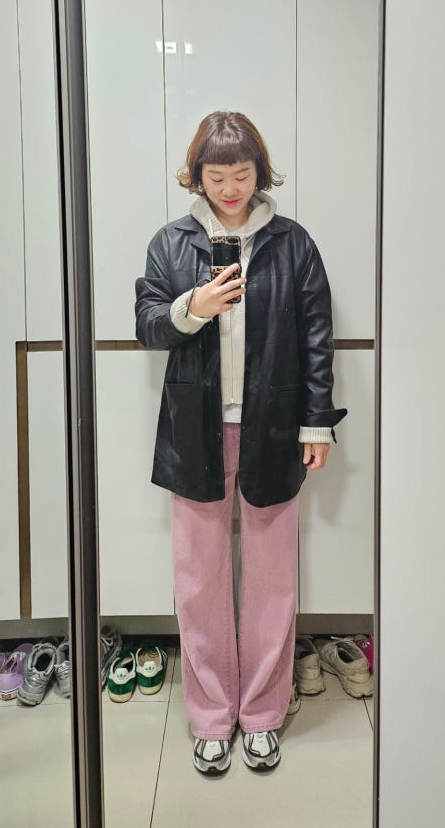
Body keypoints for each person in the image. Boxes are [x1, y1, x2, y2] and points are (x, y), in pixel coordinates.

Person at [135, 110, 347, 774]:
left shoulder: (292, 243)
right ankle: (209, 716)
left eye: (242, 173)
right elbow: (147, 323)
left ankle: (260, 713)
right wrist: (192, 308)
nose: (230, 188)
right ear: (196, 176)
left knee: (272, 578)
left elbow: (317, 337)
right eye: (217, 175)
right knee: (198, 579)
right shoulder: (171, 242)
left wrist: (316, 422)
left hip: (274, 426)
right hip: (194, 427)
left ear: (261, 173)